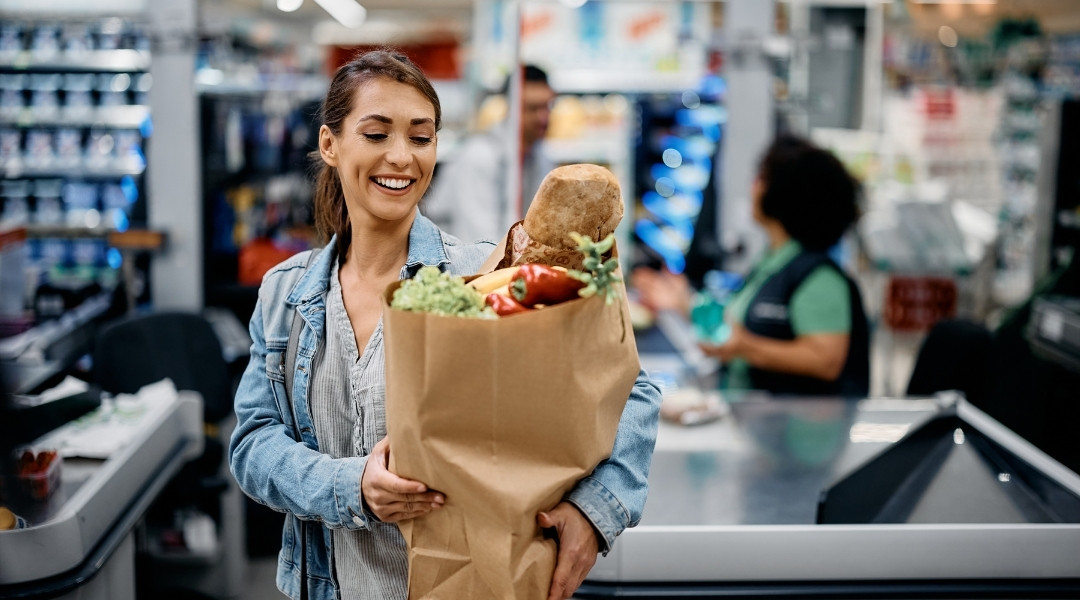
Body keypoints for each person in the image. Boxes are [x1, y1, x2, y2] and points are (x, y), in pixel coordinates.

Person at [228, 50, 661, 600]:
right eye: (377, 134)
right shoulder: (285, 294)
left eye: (421, 137)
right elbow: (253, 443)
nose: (402, 158)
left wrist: (595, 510)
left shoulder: (488, 275)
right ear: (330, 145)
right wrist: (351, 485)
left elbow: (629, 387)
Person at [634, 134, 869, 397]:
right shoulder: (775, 261)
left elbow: (826, 360)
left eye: (761, 178)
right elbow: (735, 329)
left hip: (797, 434)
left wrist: (745, 347)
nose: (753, 187)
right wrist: (682, 302)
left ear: (783, 193)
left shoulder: (819, 277)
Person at [424, 64, 557, 243]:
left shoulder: (540, 157)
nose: (543, 117)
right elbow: (480, 241)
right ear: (511, 108)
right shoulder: (479, 156)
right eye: (533, 108)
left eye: (547, 107)